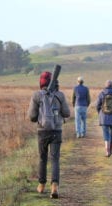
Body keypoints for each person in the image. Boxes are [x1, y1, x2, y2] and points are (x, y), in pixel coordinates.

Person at [28, 71, 70, 199]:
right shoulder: (60, 95)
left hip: (42, 131)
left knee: (42, 158)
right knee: (55, 159)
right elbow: (67, 113)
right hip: (56, 131)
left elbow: (32, 116)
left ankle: (41, 185)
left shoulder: (36, 95)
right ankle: (54, 187)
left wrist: (41, 118)